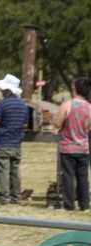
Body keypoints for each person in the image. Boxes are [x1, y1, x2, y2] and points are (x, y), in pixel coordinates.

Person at [52, 76, 91, 211]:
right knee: (83, 177)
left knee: (68, 176)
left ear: (75, 89)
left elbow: (57, 123)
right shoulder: (89, 107)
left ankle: (69, 204)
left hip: (68, 147)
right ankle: (84, 204)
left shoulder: (67, 105)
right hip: (84, 147)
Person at [0, 74, 28, 204]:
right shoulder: (23, 105)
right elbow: (24, 124)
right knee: (15, 171)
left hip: (2, 142)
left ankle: (5, 197)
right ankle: (16, 196)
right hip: (16, 143)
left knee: (3, 171)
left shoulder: (2, 104)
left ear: (7, 90)